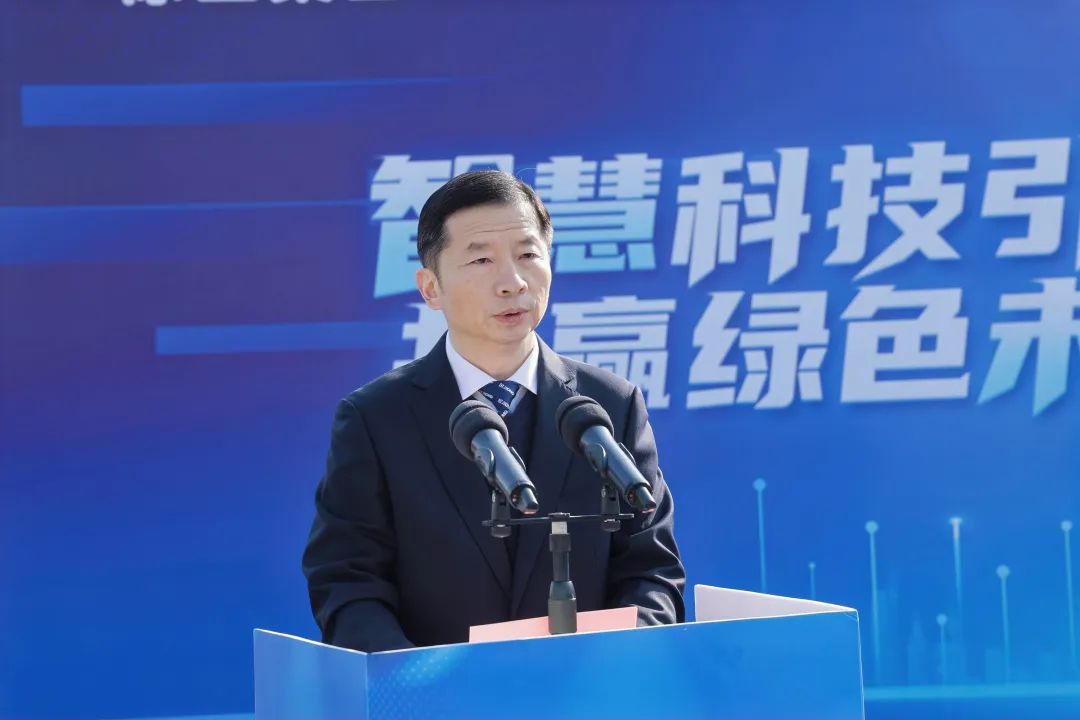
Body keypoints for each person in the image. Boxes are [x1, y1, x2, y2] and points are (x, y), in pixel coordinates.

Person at [302, 170, 684, 651]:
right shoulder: (376, 418)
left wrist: (620, 661)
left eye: (528, 255)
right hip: (437, 689)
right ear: (430, 287)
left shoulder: (610, 406)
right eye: (481, 259)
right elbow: (347, 581)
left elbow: (652, 570)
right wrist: (412, 680)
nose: (513, 282)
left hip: (588, 684)